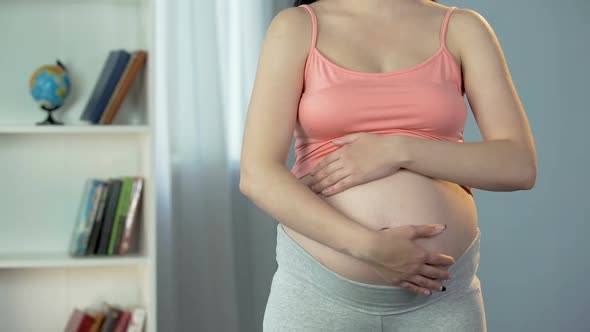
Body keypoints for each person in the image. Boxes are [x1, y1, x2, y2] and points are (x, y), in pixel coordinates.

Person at [240, 0, 536, 330]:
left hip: (441, 302)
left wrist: (396, 149)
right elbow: (257, 174)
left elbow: (518, 165)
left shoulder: (463, 28)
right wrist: (370, 248)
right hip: (318, 296)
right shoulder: (297, 27)